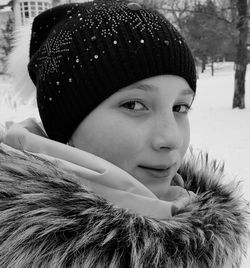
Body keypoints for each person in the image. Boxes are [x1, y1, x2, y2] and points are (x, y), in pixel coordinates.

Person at [0, 0, 249, 267]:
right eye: (133, 105)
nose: (171, 139)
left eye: (179, 107)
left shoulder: (200, 232)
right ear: (67, 124)